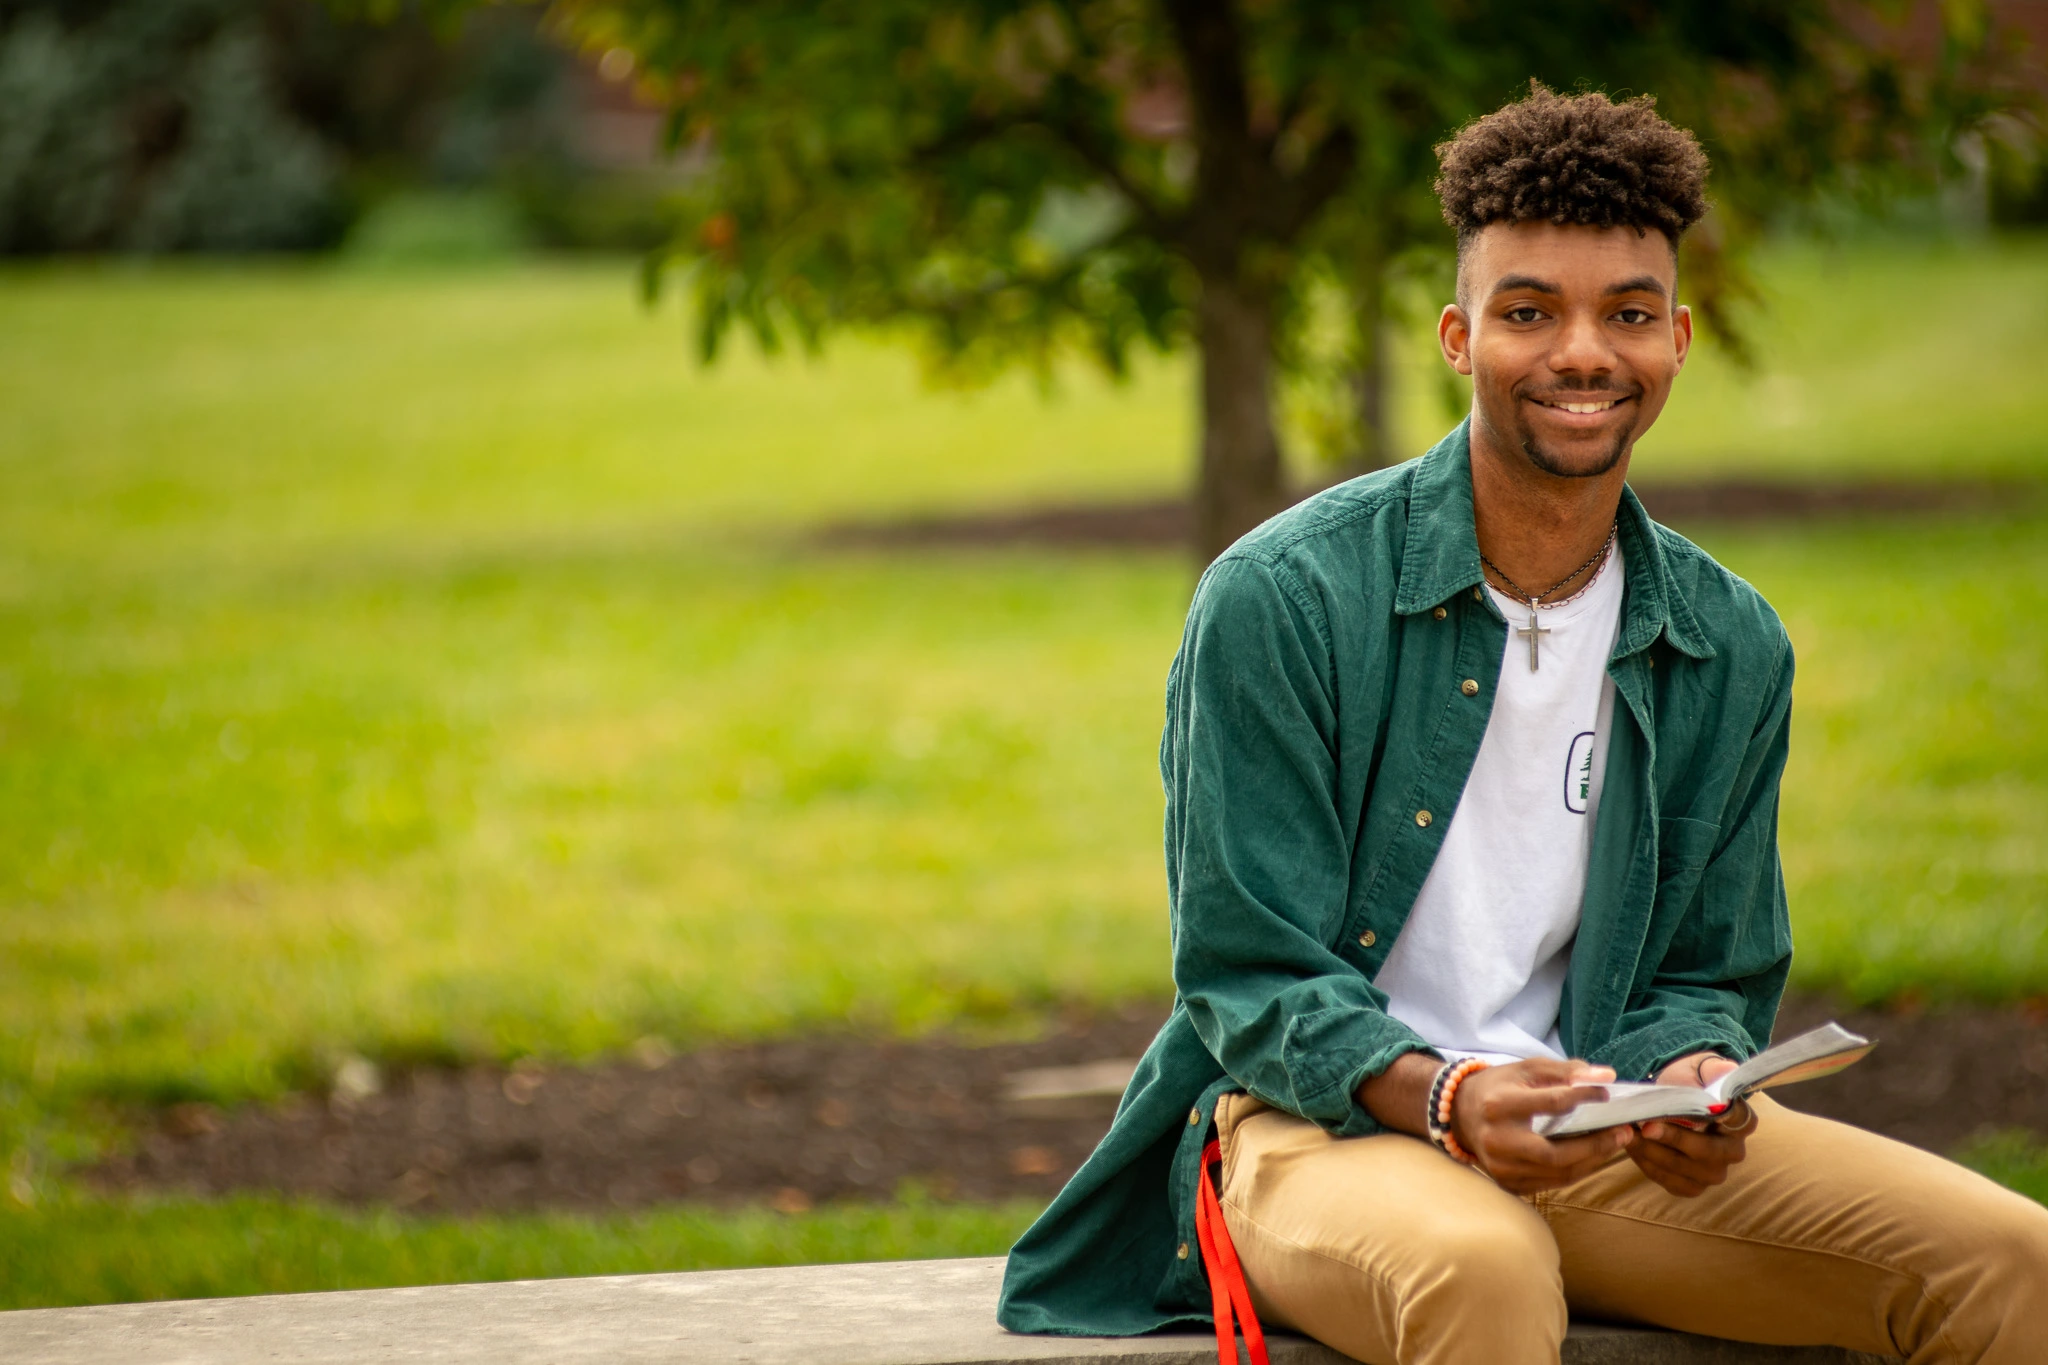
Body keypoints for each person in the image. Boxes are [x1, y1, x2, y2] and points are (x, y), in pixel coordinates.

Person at [998, 85, 2048, 1364]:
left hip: (1588, 1130)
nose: (1581, 355)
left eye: (1626, 314)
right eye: (1527, 311)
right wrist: (1444, 1092)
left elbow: (1704, 970)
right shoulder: (1282, 598)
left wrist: (1697, 1084)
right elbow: (1247, 973)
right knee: (1481, 1269)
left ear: (1676, 338)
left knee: (2010, 1260)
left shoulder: (1728, 641)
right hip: (1318, 1130)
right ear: (1457, 335)